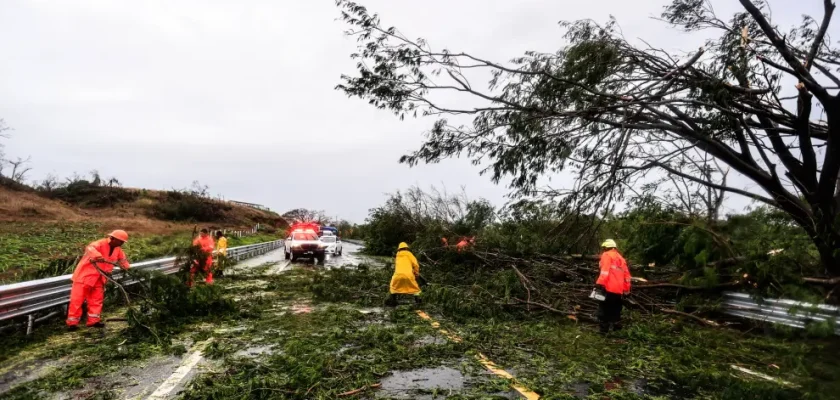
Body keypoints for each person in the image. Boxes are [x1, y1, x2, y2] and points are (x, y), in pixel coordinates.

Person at [66, 230, 130, 330]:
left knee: (96, 300)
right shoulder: (99, 244)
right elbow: (90, 248)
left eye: (122, 242)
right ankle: (72, 324)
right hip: (84, 277)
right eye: (120, 241)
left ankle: (93, 321)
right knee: (77, 301)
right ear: (113, 238)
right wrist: (97, 256)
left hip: (100, 278)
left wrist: (127, 268)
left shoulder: (118, 250)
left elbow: (123, 261)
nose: (122, 243)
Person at [595, 239, 631, 333]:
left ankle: (603, 330)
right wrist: (626, 289)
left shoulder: (606, 255)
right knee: (616, 309)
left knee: (603, 308)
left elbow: (604, 271)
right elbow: (627, 276)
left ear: (606, 248)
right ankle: (616, 329)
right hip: (619, 290)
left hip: (608, 287)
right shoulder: (621, 259)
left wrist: (599, 283)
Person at [385, 242, 422, 307]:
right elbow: (416, 265)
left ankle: (393, 301)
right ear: (407, 248)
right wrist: (416, 273)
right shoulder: (409, 254)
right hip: (408, 275)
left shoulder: (397, 255)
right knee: (416, 289)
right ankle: (418, 302)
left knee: (393, 288)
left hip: (397, 276)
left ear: (399, 249)